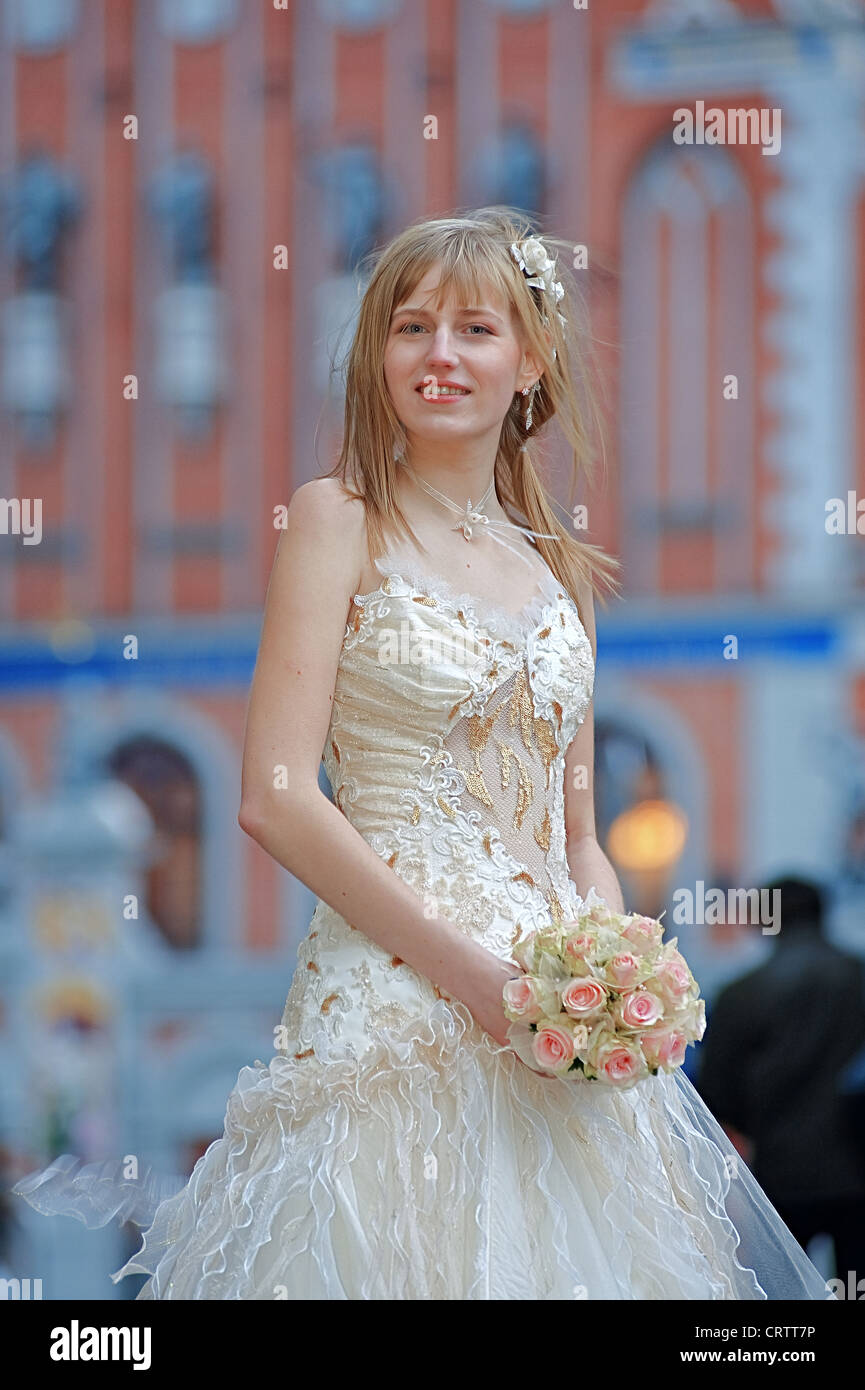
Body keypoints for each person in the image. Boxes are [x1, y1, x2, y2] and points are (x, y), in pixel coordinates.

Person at [13, 209, 833, 1299]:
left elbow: (577, 830)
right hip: (392, 1002)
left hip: (550, 1020)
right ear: (377, 352)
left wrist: (605, 955)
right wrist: (472, 979)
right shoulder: (334, 520)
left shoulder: (563, 571)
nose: (439, 355)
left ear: (530, 359)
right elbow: (271, 797)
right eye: (410, 327)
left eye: (474, 329)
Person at [696, 874, 865, 1286]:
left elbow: (715, 1091)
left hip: (778, 1177)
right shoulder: (860, 978)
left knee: (781, 1301)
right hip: (858, 1169)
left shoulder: (740, 994)